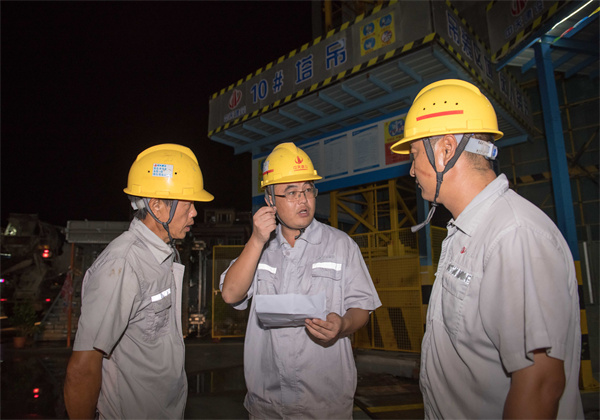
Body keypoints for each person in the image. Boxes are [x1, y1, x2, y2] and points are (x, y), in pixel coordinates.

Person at [391, 79, 584, 419]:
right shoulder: (467, 232)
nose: (411, 170)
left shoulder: (513, 236)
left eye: (415, 155)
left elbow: (540, 384)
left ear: (445, 150)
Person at [220, 142, 381, 419]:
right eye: (292, 192)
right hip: (267, 405)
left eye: (308, 190)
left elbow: (362, 308)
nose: (303, 200)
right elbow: (231, 294)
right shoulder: (259, 249)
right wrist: (256, 240)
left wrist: (342, 325)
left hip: (325, 405)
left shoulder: (341, 245)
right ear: (270, 200)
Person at [64, 144, 214, 419]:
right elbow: (82, 370)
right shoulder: (123, 264)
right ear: (156, 206)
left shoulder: (163, 253)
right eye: (188, 204)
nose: (194, 212)